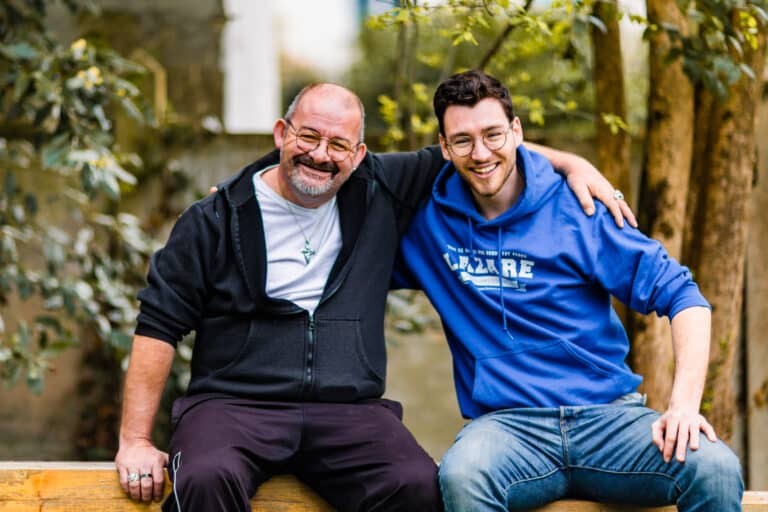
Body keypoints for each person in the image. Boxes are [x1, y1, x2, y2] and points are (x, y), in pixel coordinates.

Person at [114, 82, 630, 511]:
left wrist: (571, 163)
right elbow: (158, 325)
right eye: (308, 136)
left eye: (339, 145)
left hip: (349, 410)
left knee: (417, 485)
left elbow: (478, 145)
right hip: (233, 405)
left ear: (359, 154)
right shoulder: (214, 219)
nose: (321, 155)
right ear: (281, 134)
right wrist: (135, 441)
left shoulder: (381, 186)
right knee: (206, 477)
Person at [391, 69, 743, 512]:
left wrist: (684, 407)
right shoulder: (428, 223)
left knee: (713, 468)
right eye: (462, 141)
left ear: (516, 131)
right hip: (508, 431)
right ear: (443, 147)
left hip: (609, 420)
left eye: (494, 135)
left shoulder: (579, 206)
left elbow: (685, 297)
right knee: (462, 475)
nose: (480, 153)